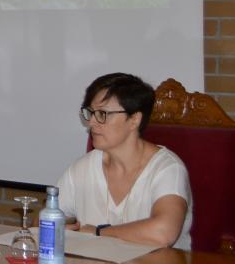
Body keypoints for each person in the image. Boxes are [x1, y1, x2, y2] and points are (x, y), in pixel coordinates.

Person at [57, 73, 192, 249]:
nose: (91, 123)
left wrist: (98, 233)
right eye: (90, 113)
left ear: (134, 119)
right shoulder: (82, 168)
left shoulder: (167, 169)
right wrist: (54, 228)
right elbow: (43, 221)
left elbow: (164, 233)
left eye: (102, 114)